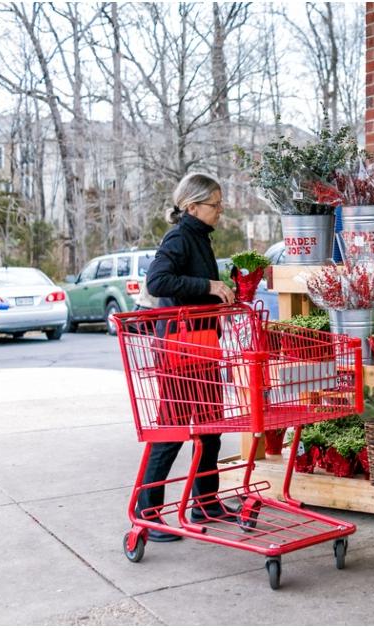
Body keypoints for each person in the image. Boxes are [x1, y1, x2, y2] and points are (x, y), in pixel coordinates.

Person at [137, 172, 236, 542]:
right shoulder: (179, 237)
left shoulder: (200, 238)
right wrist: (208, 286)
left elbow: (193, 292)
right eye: (215, 204)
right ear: (192, 207)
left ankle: (205, 503)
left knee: (211, 430)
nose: (221, 210)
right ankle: (147, 512)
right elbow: (157, 282)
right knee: (172, 433)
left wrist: (220, 298)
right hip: (180, 351)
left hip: (204, 346)